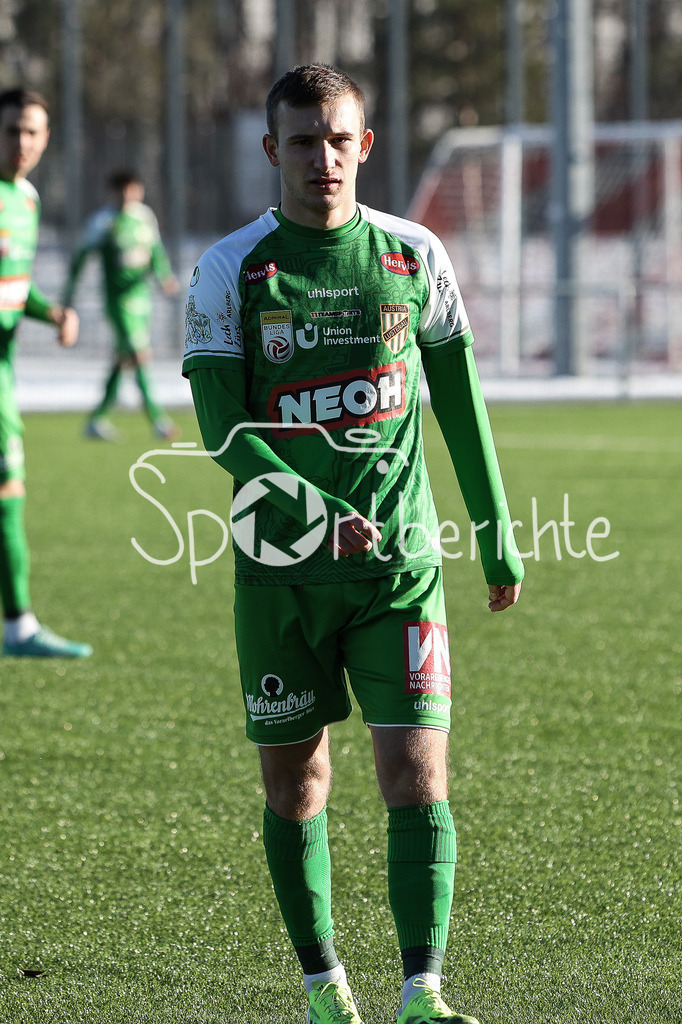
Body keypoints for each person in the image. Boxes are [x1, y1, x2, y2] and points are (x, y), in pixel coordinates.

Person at [183, 65, 524, 1024]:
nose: (322, 159)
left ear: (364, 145)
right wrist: (312, 512)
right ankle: (323, 987)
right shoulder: (231, 269)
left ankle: (423, 992)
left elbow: (460, 405)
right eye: (303, 141)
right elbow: (225, 429)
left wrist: (496, 531)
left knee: (416, 770)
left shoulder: (415, 255)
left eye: (339, 140)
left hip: (399, 569)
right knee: (298, 782)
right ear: (273, 150)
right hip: (280, 574)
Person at [0, 87, 92, 658]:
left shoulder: (27, 199)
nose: (22, 142)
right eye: (12, 129)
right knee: (8, 493)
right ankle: (19, 626)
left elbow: (13, 283)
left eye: (32, 131)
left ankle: (19, 626)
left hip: (4, 374)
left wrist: (50, 311)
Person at [63, 169, 180, 441]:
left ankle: (96, 420)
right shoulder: (102, 222)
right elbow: (80, 259)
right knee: (140, 355)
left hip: (142, 299)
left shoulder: (144, 217)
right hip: (118, 302)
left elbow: (155, 251)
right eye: (122, 190)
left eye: (132, 189)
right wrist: (69, 294)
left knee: (124, 359)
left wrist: (164, 276)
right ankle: (158, 420)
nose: (127, 195)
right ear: (112, 193)